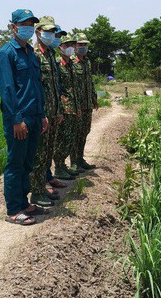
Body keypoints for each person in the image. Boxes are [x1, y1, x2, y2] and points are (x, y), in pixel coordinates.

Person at [0, 9, 49, 226]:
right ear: (13, 27)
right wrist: (17, 119)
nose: (28, 28)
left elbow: (37, 87)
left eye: (31, 24)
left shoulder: (30, 54)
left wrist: (42, 114)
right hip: (19, 119)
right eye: (23, 24)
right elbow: (7, 91)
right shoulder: (6, 54)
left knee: (28, 162)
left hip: (34, 116)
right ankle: (14, 209)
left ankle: (24, 203)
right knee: (15, 163)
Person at [29, 16, 65, 207]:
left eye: (53, 32)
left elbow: (55, 86)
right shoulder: (34, 54)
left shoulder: (51, 54)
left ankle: (42, 187)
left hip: (53, 111)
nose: (50, 35)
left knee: (48, 151)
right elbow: (35, 87)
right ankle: (36, 192)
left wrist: (58, 110)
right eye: (47, 32)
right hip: (41, 113)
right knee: (39, 153)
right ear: (38, 32)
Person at [53, 33, 81, 179]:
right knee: (62, 139)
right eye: (66, 45)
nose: (70, 48)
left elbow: (74, 88)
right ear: (60, 47)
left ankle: (63, 165)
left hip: (73, 107)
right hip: (64, 108)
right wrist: (59, 110)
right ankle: (58, 167)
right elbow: (56, 88)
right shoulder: (57, 64)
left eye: (72, 45)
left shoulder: (71, 65)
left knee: (70, 139)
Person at [70, 33, 98, 172]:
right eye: (81, 44)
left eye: (85, 45)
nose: (83, 47)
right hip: (77, 106)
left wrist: (94, 98)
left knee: (84, 132)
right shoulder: (71, 62)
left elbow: (90, 82)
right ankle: (74, 162)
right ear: (74, 45)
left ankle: (80, 159)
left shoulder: (87, 62)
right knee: (75, 134)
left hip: (87, 105)